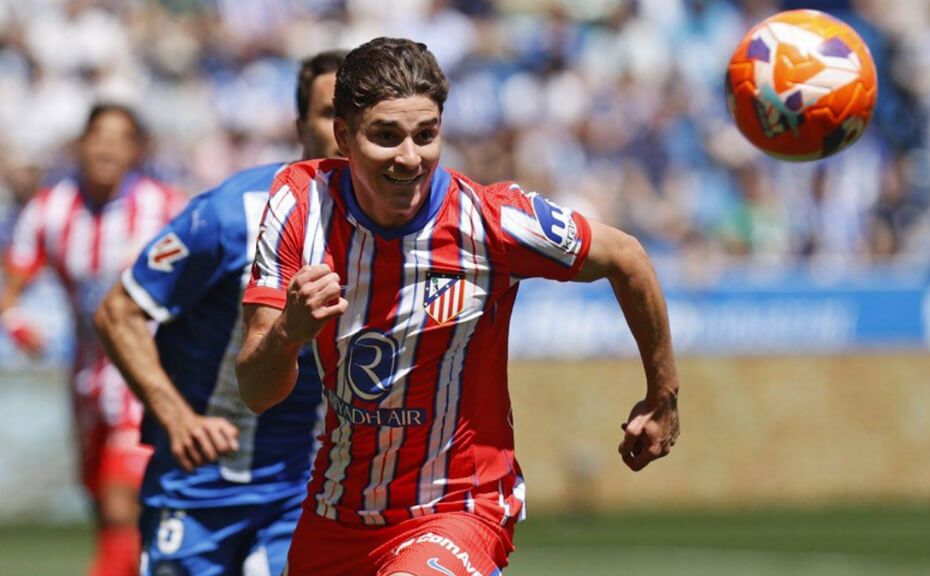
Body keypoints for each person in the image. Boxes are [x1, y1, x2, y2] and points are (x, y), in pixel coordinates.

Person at [236, 37, 680, 576]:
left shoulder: (491, 222)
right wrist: (289, 331)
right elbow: (259, 392)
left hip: (458, 510)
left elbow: (626, 257)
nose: (409, 157)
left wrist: (662, 396)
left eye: (426, 136)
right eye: (386, 136)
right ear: (343, 137)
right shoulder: (297, 202)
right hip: (336, 515)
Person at [93, 49, 347, 576]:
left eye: (361, 115)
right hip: (200, 481)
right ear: (301, 127)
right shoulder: (234, 211)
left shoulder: (394, 229)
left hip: (304, 491)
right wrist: (177, 417)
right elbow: (119, 313)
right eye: (331, 114)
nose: (347, 130)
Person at [0, 103, 183, 576]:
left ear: (136, 150)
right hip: (87, 374)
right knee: (103, 503)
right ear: (81, 144)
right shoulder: (50, 210)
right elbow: (11, 288)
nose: (106, 146)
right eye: (98, 135)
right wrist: (20, 325)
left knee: (124, 499)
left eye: (119, 137)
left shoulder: (164, 207)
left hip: (147, 372)